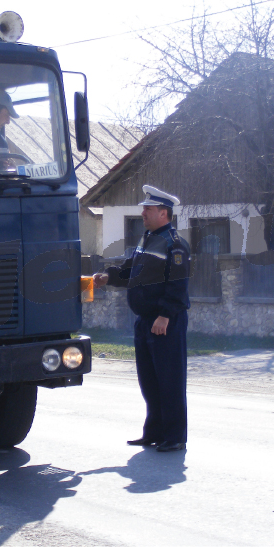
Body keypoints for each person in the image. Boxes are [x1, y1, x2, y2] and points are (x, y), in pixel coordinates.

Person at [93, 185, 191, 452]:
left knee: (169, 380)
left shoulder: (175, 244)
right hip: (145, 320)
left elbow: (178, 286)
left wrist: (165, 315)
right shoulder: (147, 239)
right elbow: (131, 270)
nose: (143, 213)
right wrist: (109, 277)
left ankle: (175, 437)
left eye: (148, 209)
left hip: (164, 322)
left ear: (163, 213)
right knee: (149, 380)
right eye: (143, 209)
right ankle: (154, 432)